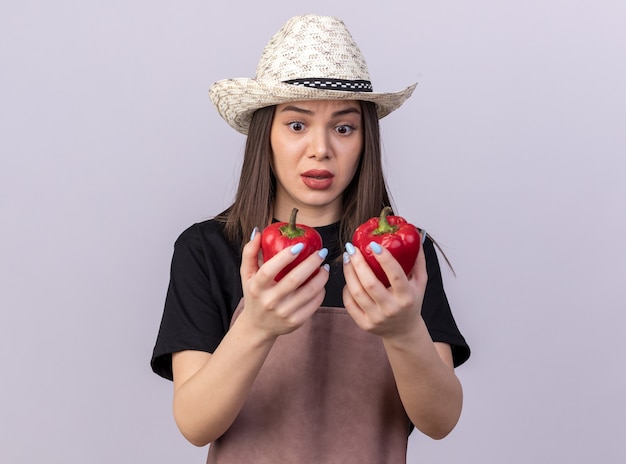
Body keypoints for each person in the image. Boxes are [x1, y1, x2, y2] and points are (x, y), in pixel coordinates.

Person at [151, 13, 470, 463]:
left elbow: (441, 421)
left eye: (344, 127)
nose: (321, 148)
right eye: (297, 125)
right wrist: (257, 326)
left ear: (366, 140)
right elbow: (194, 423)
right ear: (266, 135)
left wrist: (403, 333)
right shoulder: (207, 249)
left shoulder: (402, 253)